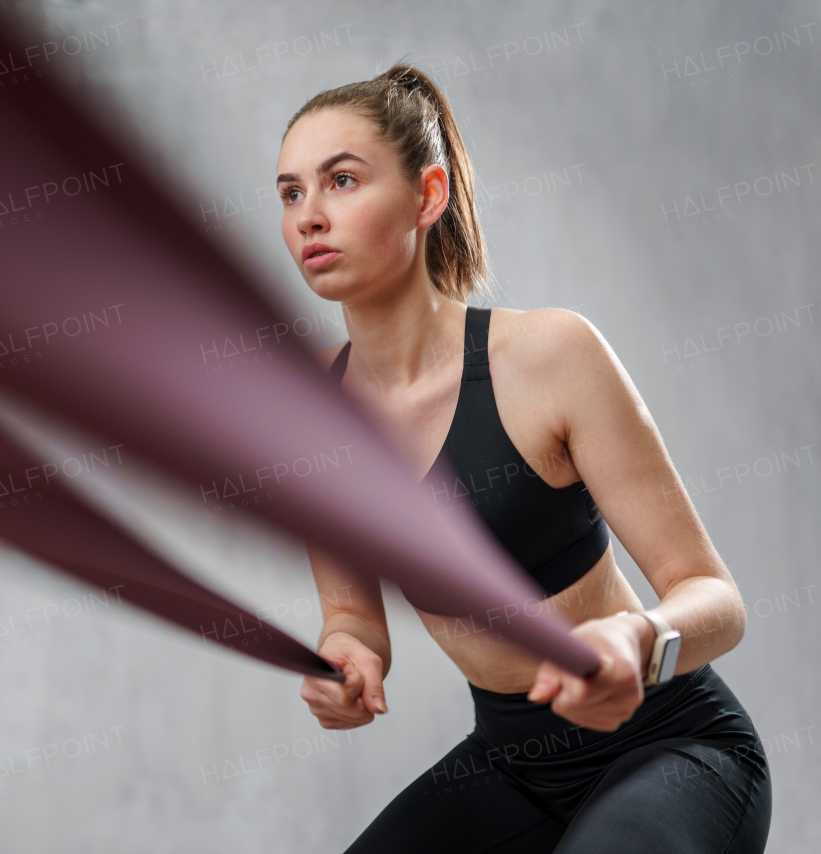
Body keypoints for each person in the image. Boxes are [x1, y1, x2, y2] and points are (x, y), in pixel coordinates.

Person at [280, 64, 771, 853]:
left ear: (427, 196)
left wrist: (639, 641)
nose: (310, 216)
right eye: (292, 192)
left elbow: (715, 598)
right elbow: (352, 617)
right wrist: (346, 659)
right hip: (511, 766)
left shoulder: (547, 355)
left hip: (672, 744)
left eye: (341, 180)